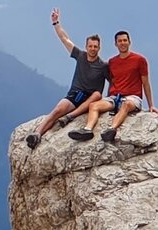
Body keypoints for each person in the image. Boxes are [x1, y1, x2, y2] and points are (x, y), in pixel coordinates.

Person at [26, 8, 108, 149]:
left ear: (99, 48)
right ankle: (37, 134)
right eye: (90, 46)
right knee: (58, 110)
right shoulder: (80, 56)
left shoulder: (103, 66)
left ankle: (70, 117)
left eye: (95, 46)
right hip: (74, 96)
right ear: (86, 46)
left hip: (90, 100)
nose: (93, 49)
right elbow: (65, 39)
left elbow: (114, 82)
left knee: (97, 94)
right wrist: (56, 22)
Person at [68, 30, 158, 143]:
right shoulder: (112, 62)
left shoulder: (140, 60)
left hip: (132, 97)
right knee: (93, 105)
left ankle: (111, 129)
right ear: (116, 44)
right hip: (114, 97)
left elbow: (145, 83)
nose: (122, 43)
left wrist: (151, 105)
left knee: (126, 105)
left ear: (129, 42)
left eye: (125, 40)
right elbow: (109, 80)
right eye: (120, 41)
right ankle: (87, 130)